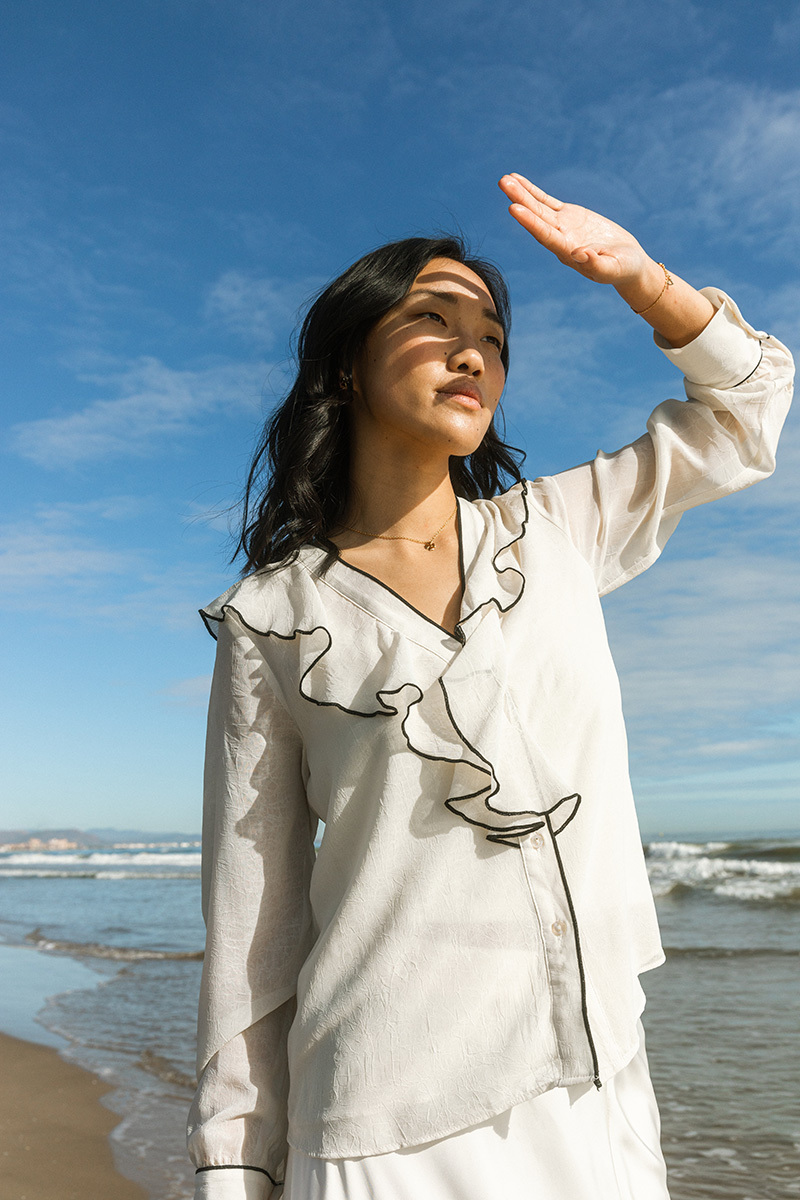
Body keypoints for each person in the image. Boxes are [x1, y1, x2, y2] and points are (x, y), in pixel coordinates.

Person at [187, 174, 793, 1200]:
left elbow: (748, 409)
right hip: (381, 1118)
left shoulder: (554, 530)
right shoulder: (272, 619)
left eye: (494, 336)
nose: (474, 350)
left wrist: (641, 279)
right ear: (345, 360)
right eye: (432, 319)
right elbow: (253, 923)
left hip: (590, 1089)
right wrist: (234, 1163)